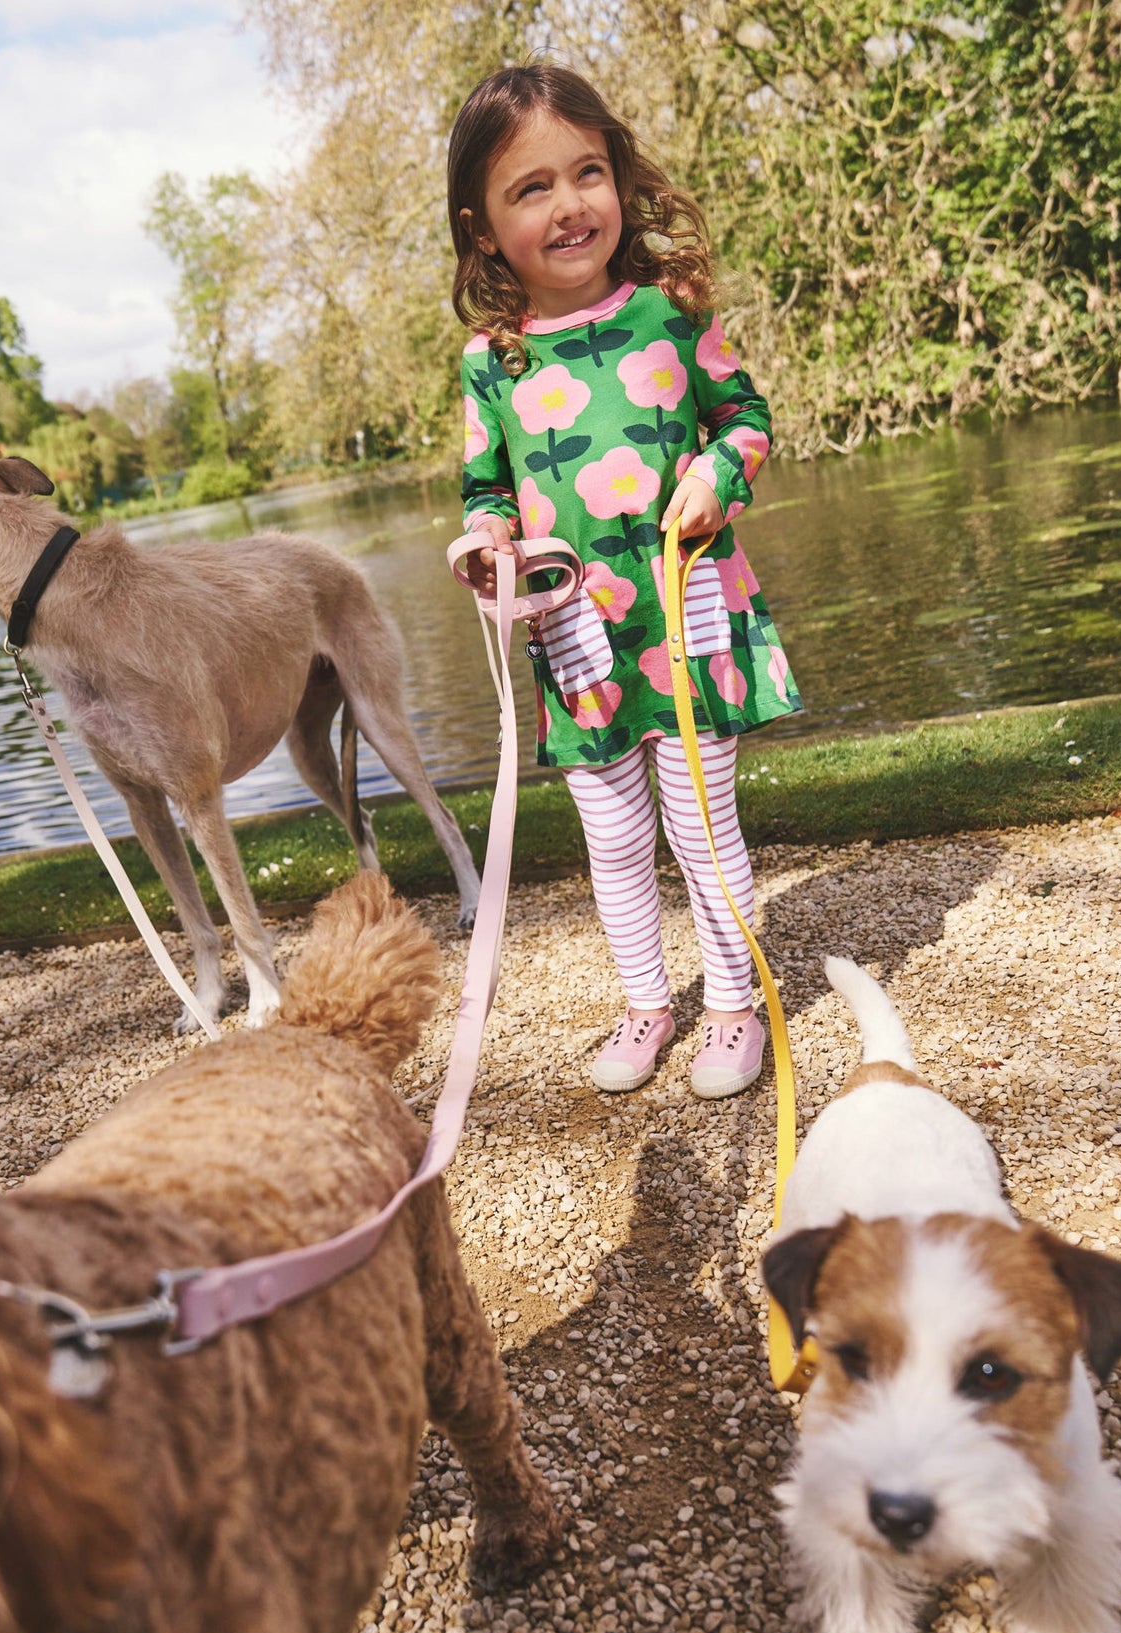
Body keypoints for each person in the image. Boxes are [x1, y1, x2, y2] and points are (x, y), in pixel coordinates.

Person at [447, 62, 802, 1098]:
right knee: (611, 836)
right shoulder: (490, 362)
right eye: (531, 189)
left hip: (685, 615)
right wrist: (486, 543)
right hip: (578, 637)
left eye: (586, 173)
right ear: (483, 230)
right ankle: (648, 1002)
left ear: (618, 177)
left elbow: (744, 419)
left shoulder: (668, 314)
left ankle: (731, 1006)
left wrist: (715, 474)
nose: (568, 205)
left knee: (701, 825)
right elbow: (484, 489)